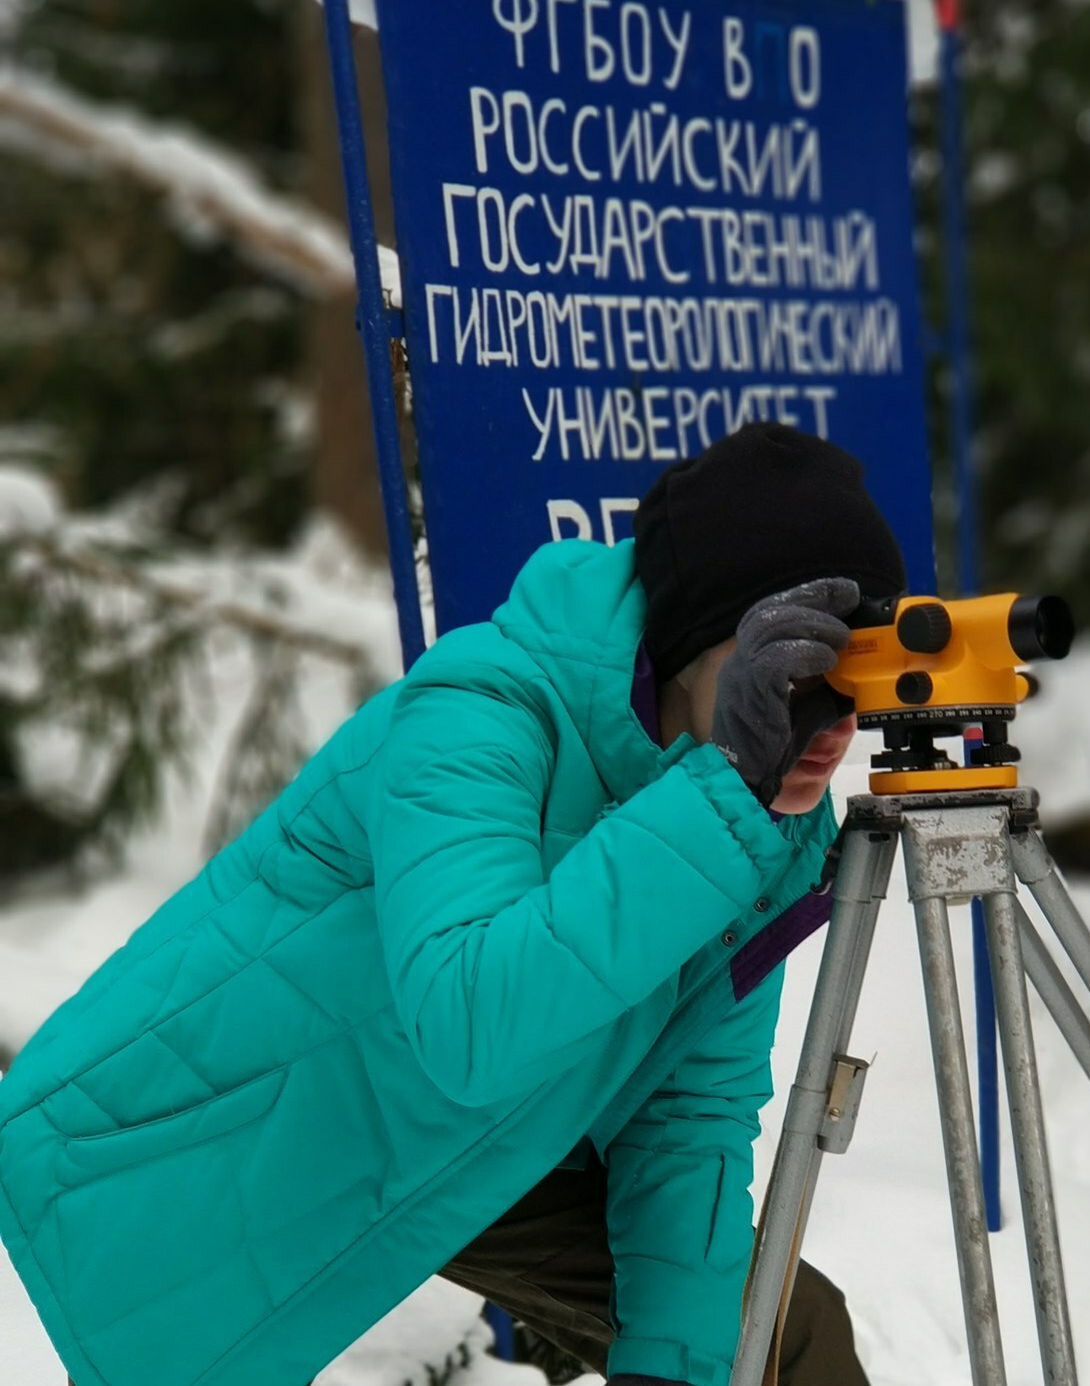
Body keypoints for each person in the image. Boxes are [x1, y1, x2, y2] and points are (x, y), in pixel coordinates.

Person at [0, 423, 908, 1386]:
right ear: (691, 641)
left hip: (474, 1152)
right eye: (795, 671)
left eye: (851, 679)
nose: (830, 722)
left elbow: (689, 1110)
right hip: (208, 1148)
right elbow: (471, 1020)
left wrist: (679, 1368)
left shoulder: (756, 817)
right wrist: (721, 794)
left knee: (775, 1337)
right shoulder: (481, 709)